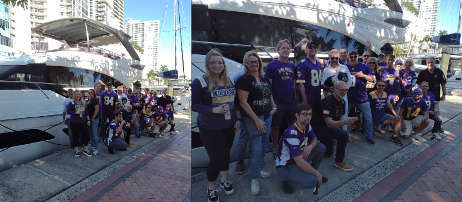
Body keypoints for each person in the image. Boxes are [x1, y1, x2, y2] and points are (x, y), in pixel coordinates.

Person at [191, 49, 241, 202]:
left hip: (229, 125)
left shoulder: (229, 81)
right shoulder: (199, 82)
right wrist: (213, 110)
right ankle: (211, 187)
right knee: (216, 158)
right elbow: (194, 105)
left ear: (223, 64)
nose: (217, 65)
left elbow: (236, 102)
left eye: (220, 62)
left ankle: (224, 180)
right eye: (213, 63)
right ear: (207, 64)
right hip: (210, 127)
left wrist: (238, 118)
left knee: (225, 154)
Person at [235, 50, 276, 195]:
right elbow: (242, 102)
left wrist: (274, 107)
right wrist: (256, 119)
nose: (255, 64)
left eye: (257, 61)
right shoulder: (244, 80)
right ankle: (255, 179)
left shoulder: (263, 79)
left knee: (264, 145)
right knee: (256, 149)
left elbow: (269, 94)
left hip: (267, 117)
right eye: (251, 61)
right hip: (253, 119)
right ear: (246, 64)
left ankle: (258, 169)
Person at [275, 104, 327, 194]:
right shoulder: (291, 134)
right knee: (313, 182)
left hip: (298, 158)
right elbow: (300, 162)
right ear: (297, 115)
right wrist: (318, 174)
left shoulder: (306, 125)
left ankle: (309, 173)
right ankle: (286, 180)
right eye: (304, 114)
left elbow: (315, 140)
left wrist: (309, 147)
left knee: (321, 147)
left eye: (310, 114)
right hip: (287, 165)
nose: (308, 117)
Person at [311, 81, 357, 171]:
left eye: (345, 90)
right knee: (343, 136)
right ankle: (339, 162)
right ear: (334, 89)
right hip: (319, 127)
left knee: (328, 153)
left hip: (329, 127)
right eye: (341, 90)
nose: (343, 92)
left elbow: (340, 116)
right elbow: (329, 123)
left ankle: (318, 148)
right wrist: (345, 124)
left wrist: (343, 130)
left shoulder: (342, 102)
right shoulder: (327, 102)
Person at [266, 39, 297, 158]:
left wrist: (295, 98)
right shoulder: (271, 65)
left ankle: (289, 146)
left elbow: (294, 84)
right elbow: (268, 87)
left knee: (291, 125)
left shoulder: (292, 66)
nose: (286, 50)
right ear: (278, 50)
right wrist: (272, 103)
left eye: (288, 48)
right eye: (283, 48)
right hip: (277, 102)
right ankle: (275, 148)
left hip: (291, 101)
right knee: (276, 127)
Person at [346, 50, 376, 146]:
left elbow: (373, 79)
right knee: (343, 117)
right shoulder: (345, 67)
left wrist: (363, 75)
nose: (353, 58)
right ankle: (343, 136)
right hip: (348, 98)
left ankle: (368, 137)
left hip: (362, 98)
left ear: (358, 57)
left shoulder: (364, 67)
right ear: (348, 58)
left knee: (368, 117)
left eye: (355, 56)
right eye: (351, 57)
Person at [368, 80, 403, 146]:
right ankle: (368, 127)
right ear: (376, 86)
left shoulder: (385, 93)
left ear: (385, 87)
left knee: (398, 119)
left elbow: (389, 104)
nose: (381, 87)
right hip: (373, 117)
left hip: (382, 116)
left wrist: (395, 114)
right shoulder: (371, 94)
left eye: (383, 86)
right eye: (379, 85)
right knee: (371, 135)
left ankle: (394, 137)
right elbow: (367, 107)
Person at [297, 41, 322, 108]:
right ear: (306, 50)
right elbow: (300, 84)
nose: (313, 48)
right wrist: (305, 101)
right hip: (308, 100)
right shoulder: (302, 63)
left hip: (317, 99)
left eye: (315, 47)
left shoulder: (319, 64)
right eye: (310, 47)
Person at [382, 55, 404, 132]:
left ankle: (389, 124)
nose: (390, 61)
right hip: (382, 93)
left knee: (390, 109)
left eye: (392, 60)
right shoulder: (382, 70)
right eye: (389, 60)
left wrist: (397, 94)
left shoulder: (396, 71)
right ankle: (380, 123)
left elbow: (398, 83)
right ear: (385, 60)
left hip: (392, 93)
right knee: (381, 108)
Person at [67, 90, 92, 157]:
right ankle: (76, 150)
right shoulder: (71, 103)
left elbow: (86, 112)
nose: (78, 96)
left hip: (83, 122)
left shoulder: (84, 103)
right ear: (74, 95)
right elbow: (68, 111)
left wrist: (88, 120)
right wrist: (75, 112)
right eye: (76, 94)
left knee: (85, 135)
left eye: (79, 94)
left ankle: (86, 150)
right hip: (74, 122)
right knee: (76, 136)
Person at [86, 89, 100, 155]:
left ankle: (96, 149)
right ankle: (92, 146)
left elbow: (97, 109)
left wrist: (93, 117)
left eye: (91, 92)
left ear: (94, 93)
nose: (90, 94)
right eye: (89, 92)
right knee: (91, 134)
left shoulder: (95, 100)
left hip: (94, 119)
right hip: (89, 120)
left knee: (94, 134)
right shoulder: (87, 101)